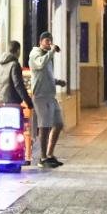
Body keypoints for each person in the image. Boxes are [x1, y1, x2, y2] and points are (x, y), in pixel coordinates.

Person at [29, 31, 67, 168]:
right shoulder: (35, 54)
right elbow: (39, 65)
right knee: (44, 127)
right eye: (46, 40)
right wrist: (51, 52)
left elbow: (45, 76)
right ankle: (42, 158)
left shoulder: (47, 57)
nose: (49, 43)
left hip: (51, 96)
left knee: (59, 123)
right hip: (40, 96)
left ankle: (50, 154)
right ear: (40, 41)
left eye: (50, 40)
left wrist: (57, 82)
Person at [0, 40, 35, 111]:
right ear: (18, 51)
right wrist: (29, 102)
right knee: (15, 122)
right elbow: (18, 85)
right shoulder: (14, 64)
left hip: (1, 103)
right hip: (13, 103)